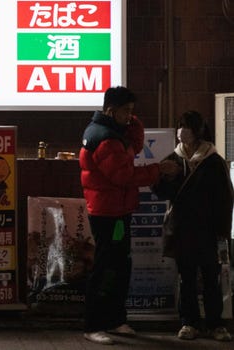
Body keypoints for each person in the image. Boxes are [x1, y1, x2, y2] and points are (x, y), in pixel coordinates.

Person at [79, 86, 179, 345]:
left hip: (118, 211)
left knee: (121, 266)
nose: (130, 117)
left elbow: (133, 148)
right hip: (107, 213)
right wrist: (158, 170)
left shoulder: (111, 132)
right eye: (126, 112)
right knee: (105, 268)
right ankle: (94, 325)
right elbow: (123, 176)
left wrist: (132, 122)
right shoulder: (105, 138)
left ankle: (114, 320)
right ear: (111, 111)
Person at [153, 111, 233, 342]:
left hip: (209, 229)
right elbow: (161, 192)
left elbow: (225, 198)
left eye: (186, 126)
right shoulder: (174, 158)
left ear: (198, 131)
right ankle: (189, 322)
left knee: (211, 277)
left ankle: (215, 324)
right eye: (179, 125)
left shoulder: (213, 161)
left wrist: (222, 232)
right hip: (182, 228)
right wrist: (164, 176)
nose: (181, 131)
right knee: (186, 277)